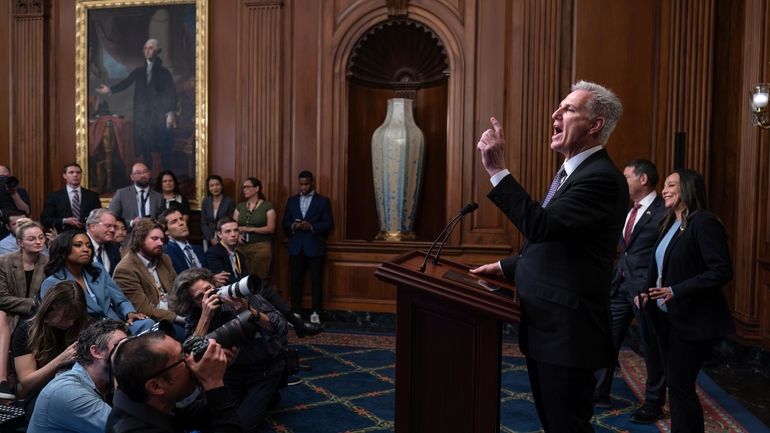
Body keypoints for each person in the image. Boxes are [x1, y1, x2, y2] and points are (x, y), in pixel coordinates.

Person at [471, 81, 628, 432]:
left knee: (567, 426)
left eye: (569, 109)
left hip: (568, 333)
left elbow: (541, 227)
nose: (555, 114)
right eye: (558, 107)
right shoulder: (572, 174)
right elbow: (556, 244)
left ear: (595, 124)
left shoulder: (600, 178)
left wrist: (497, 171)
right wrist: (504, 266)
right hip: (550, 328)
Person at [636, 168, 734, 433]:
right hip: (666, 318)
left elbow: (721, 270)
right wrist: (646, 290)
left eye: (671, 185)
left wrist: (676, 291)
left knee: (681, 387)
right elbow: (658, 265)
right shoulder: (670, 222)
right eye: (665, 185)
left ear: (688, 189)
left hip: (692, 320)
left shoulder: (704, 222)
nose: (664, 190)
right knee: (676, 386)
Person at [593, 159, 668, 423]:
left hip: (645, 290)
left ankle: (653, 403)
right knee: (606, 340)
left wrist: (651, 288)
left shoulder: (663, 211)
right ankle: (599, 393)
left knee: (651, 347)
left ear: (643, 179)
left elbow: (664, 254)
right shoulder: (627, 209)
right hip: (619, 287)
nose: (623, 182)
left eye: (627, 177)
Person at [173, 267, 286, 432]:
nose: (209, 295)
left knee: (243, 426)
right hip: (229, 373)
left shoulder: (238, 293)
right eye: (200, 297)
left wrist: (248, 311)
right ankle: (267, 397)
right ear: (192, 303)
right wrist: (205, 317)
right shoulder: (196, 313)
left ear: (214, 283)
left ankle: (269, 393)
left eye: (208, 289)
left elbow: (281, 326)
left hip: (264, 368)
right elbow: (190, 355)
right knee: (215, 419)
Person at [106, 327, 240, 433]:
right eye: (183, 357)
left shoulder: (142, 401)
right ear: (156, 386)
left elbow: (204, 416)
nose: (191, 358)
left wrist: (217, 374)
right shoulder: (133, 428)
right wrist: (214, 384)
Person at [207, 217, 321, 337]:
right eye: (228, 231)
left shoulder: (239, 254)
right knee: (268, 293)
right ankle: (297, 326)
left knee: (268, 294)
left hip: (242, 291)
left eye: (236, 230)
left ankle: (283, 330)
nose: (234, 234)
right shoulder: (214, 253)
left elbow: (244, 276)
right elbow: (224, 281)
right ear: (219, 234)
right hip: (228, 296)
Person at [40, 230, 155, 334]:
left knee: (147, 324)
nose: (86, 249)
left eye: (89, 246)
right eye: (78, 245)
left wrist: (129, 313)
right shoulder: (52, 282)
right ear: (63, 249)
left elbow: (119, 299)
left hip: (116, 324)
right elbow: (61, 322)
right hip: (86, 332)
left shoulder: (97, 269)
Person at [27, 319, 128, 433]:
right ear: (96, 352)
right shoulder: (69, 392)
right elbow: (125, 428)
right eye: (119, 346)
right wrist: (121, 373)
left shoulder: (105, 383)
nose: (127, 352)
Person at [95, 38, 177, 172]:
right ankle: (147, 178)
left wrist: (170, 113)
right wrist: (110, 89)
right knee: (145, 148)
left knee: (163, 148)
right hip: (143, 118)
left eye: (150, 48)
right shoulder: (139, 71)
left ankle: (165, 179)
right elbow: (126, 82)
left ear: (157, 51)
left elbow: (171, 93)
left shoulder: (164, 73)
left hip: (159, 117)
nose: (147, 51)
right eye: (145, 48)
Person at [12, 280, 90, 419]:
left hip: (79, 389)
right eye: (66, 317)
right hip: (41, 394)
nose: (71, 323)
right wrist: (60, 360)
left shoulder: (82, 325)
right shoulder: (26, 331)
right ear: (51, 308)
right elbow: (27, 383)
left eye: (74, 318)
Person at [0, 220, 48, 399]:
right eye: (32, 239)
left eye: (41, 237)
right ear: (20, 242)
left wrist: (38, 306)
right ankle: (4, 381)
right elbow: (1, 298)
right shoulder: (4, 262)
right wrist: (33, 304)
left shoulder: (48, 263)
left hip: (37, 316)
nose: (38, 242)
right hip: (10, 314)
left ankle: (31, 387)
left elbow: (49, 295)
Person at [282, 170, 334, 322]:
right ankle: (296, 312)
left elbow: (328, 224)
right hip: (296, 247)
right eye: (301, 184)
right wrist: (294, 226)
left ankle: (316, 312)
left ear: (312, 183)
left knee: (317, 282)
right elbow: (284, 223)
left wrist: (311, 226)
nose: (303, 187)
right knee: (295, 281)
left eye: (306, 184)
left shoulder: (323, 201)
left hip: (315, 247)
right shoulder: (291, 201)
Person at [112, 219, 182, 331]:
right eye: (154, 239)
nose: (160, 243)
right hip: (155, 322)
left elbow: (178, 291)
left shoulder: (165, 259)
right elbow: (144, 310)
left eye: (162, 239)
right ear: (140, 240)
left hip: (175, 311)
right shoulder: (125, 270)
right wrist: (179, 318)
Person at [40, 162, 102, 232]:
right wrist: (65, 221)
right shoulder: (54, 196)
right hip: (63, 235)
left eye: (78, 173)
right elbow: (45, 220)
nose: (75, 175)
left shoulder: (92, 196)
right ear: (64, 176)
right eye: (71, 172)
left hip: (87, 234)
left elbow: (99, 218)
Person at [233, 177, 276, 279]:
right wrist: (238, 236)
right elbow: (234, 225)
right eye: (243, 187)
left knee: (259, 278)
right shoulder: (240, 206)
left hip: (260, 247)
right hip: (241, 247)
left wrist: (249, 229)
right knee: (241, 277)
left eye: (248, 187)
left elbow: (271, 228)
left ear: (257, 188)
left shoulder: (267, 206)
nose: (245, 189)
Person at [108, 163, 164, 228]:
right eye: (138, 173)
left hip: (152, 234)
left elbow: (163, 220)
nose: (143, 175)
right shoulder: (121, 194)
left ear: (149, 174)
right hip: (129, 235)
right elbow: (111, 217)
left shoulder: (158, 197)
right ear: (132, 177)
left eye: (145, 172)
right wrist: (131, 223)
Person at [200, 174, 235, 250]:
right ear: (209, 188)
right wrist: (211, 238)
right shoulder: (206, 201)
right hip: (208, 238)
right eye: (211, 185)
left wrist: (221, 236)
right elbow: (204, 223)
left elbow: (231, 221)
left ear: (221, 186)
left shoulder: (229, 201)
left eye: (217, 184)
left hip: (225, 237)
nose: (215, 188)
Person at [86, 208, 122, 276]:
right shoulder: (77, 247)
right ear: (92, 226)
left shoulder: (114, 249)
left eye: (114, 227)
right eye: (108, 226)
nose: (113, 230)